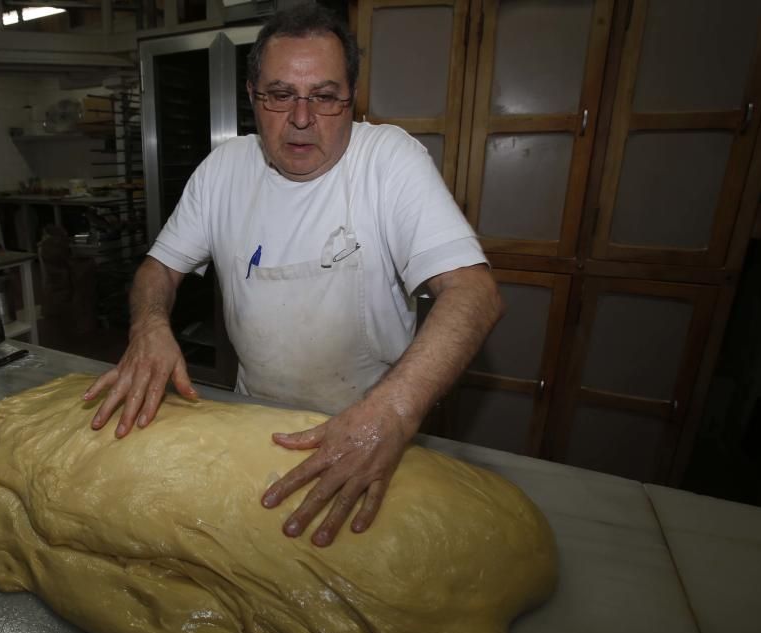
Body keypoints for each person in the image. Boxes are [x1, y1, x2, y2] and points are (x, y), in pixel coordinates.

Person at [85, 3, 502, 547]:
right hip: (252, 424)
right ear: (253, 97)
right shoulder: (223, 170)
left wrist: (392, 414)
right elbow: (157, 270)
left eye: (325, 97)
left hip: (369, 431)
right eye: (281, 95)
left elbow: (474, 293)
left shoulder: (387, 162)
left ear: (352, 98)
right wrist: (149, 328)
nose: (302, 118)